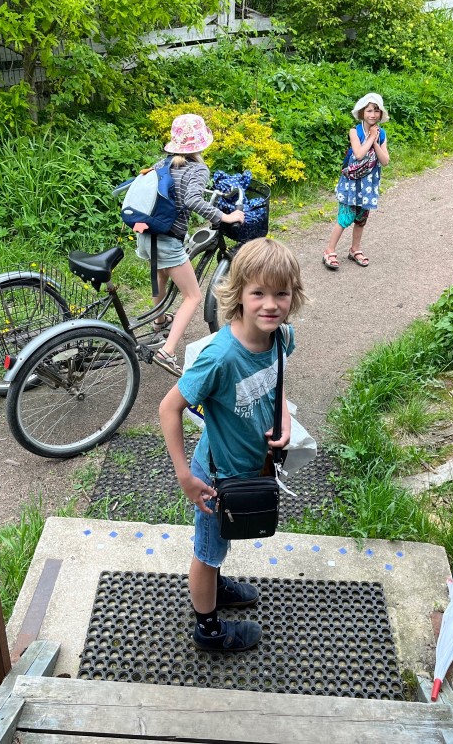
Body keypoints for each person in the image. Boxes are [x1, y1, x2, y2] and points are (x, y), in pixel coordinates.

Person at [158, 237, 308, 651]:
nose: (270, 305)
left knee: (220, 542)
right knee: (207, 550)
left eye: (281, 293)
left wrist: (282, 418)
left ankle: (216, 585)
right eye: (258, 293)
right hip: (214, 477)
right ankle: (208, 629)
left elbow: (275, 383)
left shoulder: (282, 338)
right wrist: (185, 475)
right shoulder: (220, 357)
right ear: (238, 293)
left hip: (251, 467)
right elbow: (168, 410)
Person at [137, 113, 244, 373]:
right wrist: (225, 216)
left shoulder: (164, 164)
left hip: (146, 235)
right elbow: (192, 200)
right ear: (201, 144)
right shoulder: (198, 168)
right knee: (193, 296)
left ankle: (159, 321)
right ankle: (167, 351)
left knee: (161, 274)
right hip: (167, 239)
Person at [322, 92, 390, 271]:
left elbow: (385, 161)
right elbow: (359, 154)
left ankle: (355, 249)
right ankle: (329, 250)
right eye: (369, 111)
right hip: (352, 184)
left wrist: (375, 141)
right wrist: (369, 138)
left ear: (381, 114)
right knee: (345, 217)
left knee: (361, 218)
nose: (373, 114)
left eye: (376, 111)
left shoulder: (382, 134)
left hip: (368, 186)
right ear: (362, 113)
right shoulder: (355, 131)